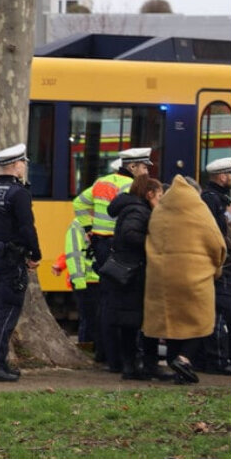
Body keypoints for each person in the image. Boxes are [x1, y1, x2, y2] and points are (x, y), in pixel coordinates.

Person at [73, 146, 152, 372]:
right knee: (125, 304)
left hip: (100, 246)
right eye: (144, 166)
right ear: (132, 167)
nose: (146, 171)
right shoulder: (131, 188)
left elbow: (78, 203)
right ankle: (123, 358)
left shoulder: (102, 182)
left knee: (106, 302)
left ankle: (104, 353)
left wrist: (89, 228)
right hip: (120, 250)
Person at [142, 177, 226, 385]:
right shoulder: (198, 210)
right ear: (193, 192)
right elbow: (217, 243)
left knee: (172, 324)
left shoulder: (160, 211)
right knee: (201, 319)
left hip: (160, 278)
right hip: (193, 275)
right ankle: (183, 359)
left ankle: (175, 365)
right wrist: (217, 266)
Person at [0, 143, 41, 382]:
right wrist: (36, 254)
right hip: (12, 261)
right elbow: (26, 227)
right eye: (23, 163)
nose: (24, 167)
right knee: (7, 312)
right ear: (15, 165)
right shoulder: (19, 194)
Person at [106, 175, 171, 380]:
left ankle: (130, 366)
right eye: (159, 195)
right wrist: (153, 243)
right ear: (149, 193)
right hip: (136, 273)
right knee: (144, 320)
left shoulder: (130, 207)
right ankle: (146, 365)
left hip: (127, 272)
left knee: (129, 321)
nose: (161, 200)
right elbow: (129, 234)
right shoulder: (139, 210)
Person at [199, 157, 231, 375]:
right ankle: (218, 360)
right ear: (223, 176)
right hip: (223, 264)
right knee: (222, 311)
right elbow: (216, 233)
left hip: (226, 262)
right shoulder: (212, 200)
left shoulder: (220, 198)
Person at [49, 217, 99, 351]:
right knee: (89, 320)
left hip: (94, 280)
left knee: (90, 320)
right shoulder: (81, 225)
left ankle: (91, 350)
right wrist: (60, 264)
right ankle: (88, 350)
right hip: (87, 280)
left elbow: (74, 251)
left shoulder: (100, 222)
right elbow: (73, 252)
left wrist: (60, 264)